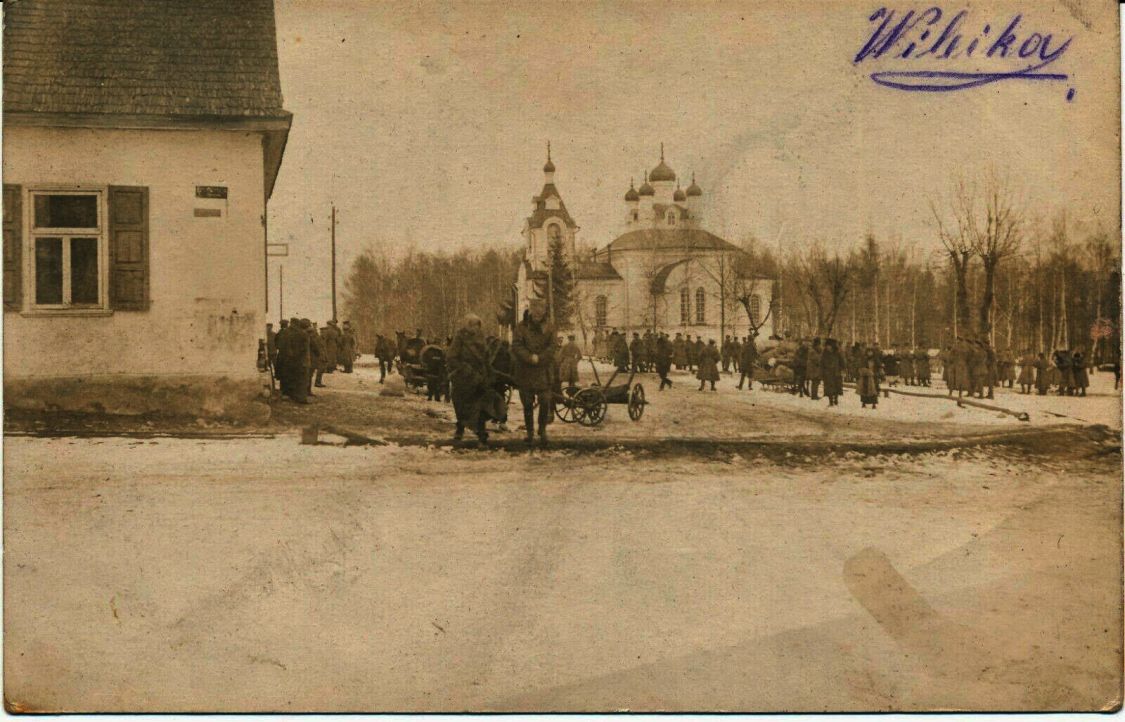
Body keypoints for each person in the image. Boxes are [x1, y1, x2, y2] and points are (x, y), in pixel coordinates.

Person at [511, 298, 556, 445]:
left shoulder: (550, 328)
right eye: (535, 309)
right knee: (528, 404)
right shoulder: (521, 327)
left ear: (544, 311)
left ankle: (542, 430)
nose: (537, 313)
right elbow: (516, 346)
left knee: (544, 401)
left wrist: (540, 358)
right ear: (530, 310)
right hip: (526, 372)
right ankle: (530, 432)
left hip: (543, 371)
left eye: (540, 310)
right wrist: (530, 357)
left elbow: (552, 347)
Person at [446, 314, 492, 444]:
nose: (475, 328)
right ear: (467, 326)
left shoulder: (481, 338)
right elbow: (451, 357)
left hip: (478, 376)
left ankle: (481, 434)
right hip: (463, 377)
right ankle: (460, 429)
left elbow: (486, 357)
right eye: (472, 325)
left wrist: (488, 373)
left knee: (480, 405)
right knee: (460, 404)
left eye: (477, 325)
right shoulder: (460, 337)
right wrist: (464, 368)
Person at [821, 338, 845, 406]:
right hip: (827, 373)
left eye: (829, 346)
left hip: (836, 373)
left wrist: (842, 369)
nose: (828, 347)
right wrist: (822, 372)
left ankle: (836, 399)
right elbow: (821, 363)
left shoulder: (837, 353)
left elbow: (842, 362)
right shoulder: (824, 353)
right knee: (829, 388)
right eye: (827, 346)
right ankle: (831, 401)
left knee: (837, 387)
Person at [306, 319, 326, 394]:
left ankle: (306, 390)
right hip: (311, 360)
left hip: (307, 359)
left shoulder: (306, 338)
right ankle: (308, 391)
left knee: (308, 376)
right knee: (309, 376)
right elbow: (317, 350)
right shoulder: (313, 339)